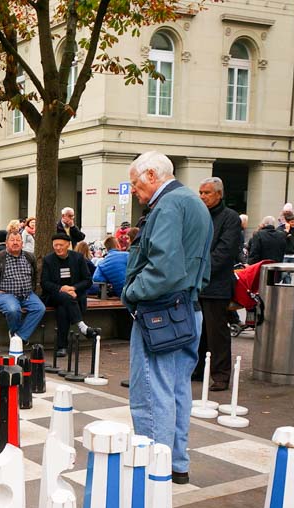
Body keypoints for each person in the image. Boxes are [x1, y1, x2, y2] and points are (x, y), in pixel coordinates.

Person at [122, 151, 212, 485]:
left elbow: (163, 268)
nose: (134, 190)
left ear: (150, 175)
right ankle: (175, 463)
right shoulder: (193, 202)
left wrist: (131, 292)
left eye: (135, 183)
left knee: (150, 392)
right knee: (176, 390)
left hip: (160, 312)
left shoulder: (169, 206)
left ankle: (152, 467)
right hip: (188, 310)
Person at [193, 177, 243, 391]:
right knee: (198, 330)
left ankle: (221, 375)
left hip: (217, 284)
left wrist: (199, 270)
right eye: (201, 192)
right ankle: (198, 369)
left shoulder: (230, 218)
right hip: (197, 283)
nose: (203, 196)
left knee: (217, 333)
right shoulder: (199, 216)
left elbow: (225, 251)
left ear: (219, 194)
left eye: (207, 193)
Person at [0, 230, 46, 343]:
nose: (15, 243)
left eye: (18, 240)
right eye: (12, 240)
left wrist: (32, 289)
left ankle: (19, 337)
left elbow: (34, 276)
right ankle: (16, 334)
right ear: (6, 243)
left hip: (27, 294)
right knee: (13, 310)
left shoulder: (30, 257)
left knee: (40, 308)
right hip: (5, 294)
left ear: (22, 243)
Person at [42, 233, 98, 356]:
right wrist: (62, 288)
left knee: (62, 309)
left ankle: (62, 347)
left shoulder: (78, 258)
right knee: (64, 298)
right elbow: (45, 283)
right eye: (55, 245)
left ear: (68, 245)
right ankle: (82, 326)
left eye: (61, 245)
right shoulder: (48, 259)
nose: (58, 248)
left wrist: (73, 288)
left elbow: (88, 281)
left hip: (75, 296)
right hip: (54, 295)